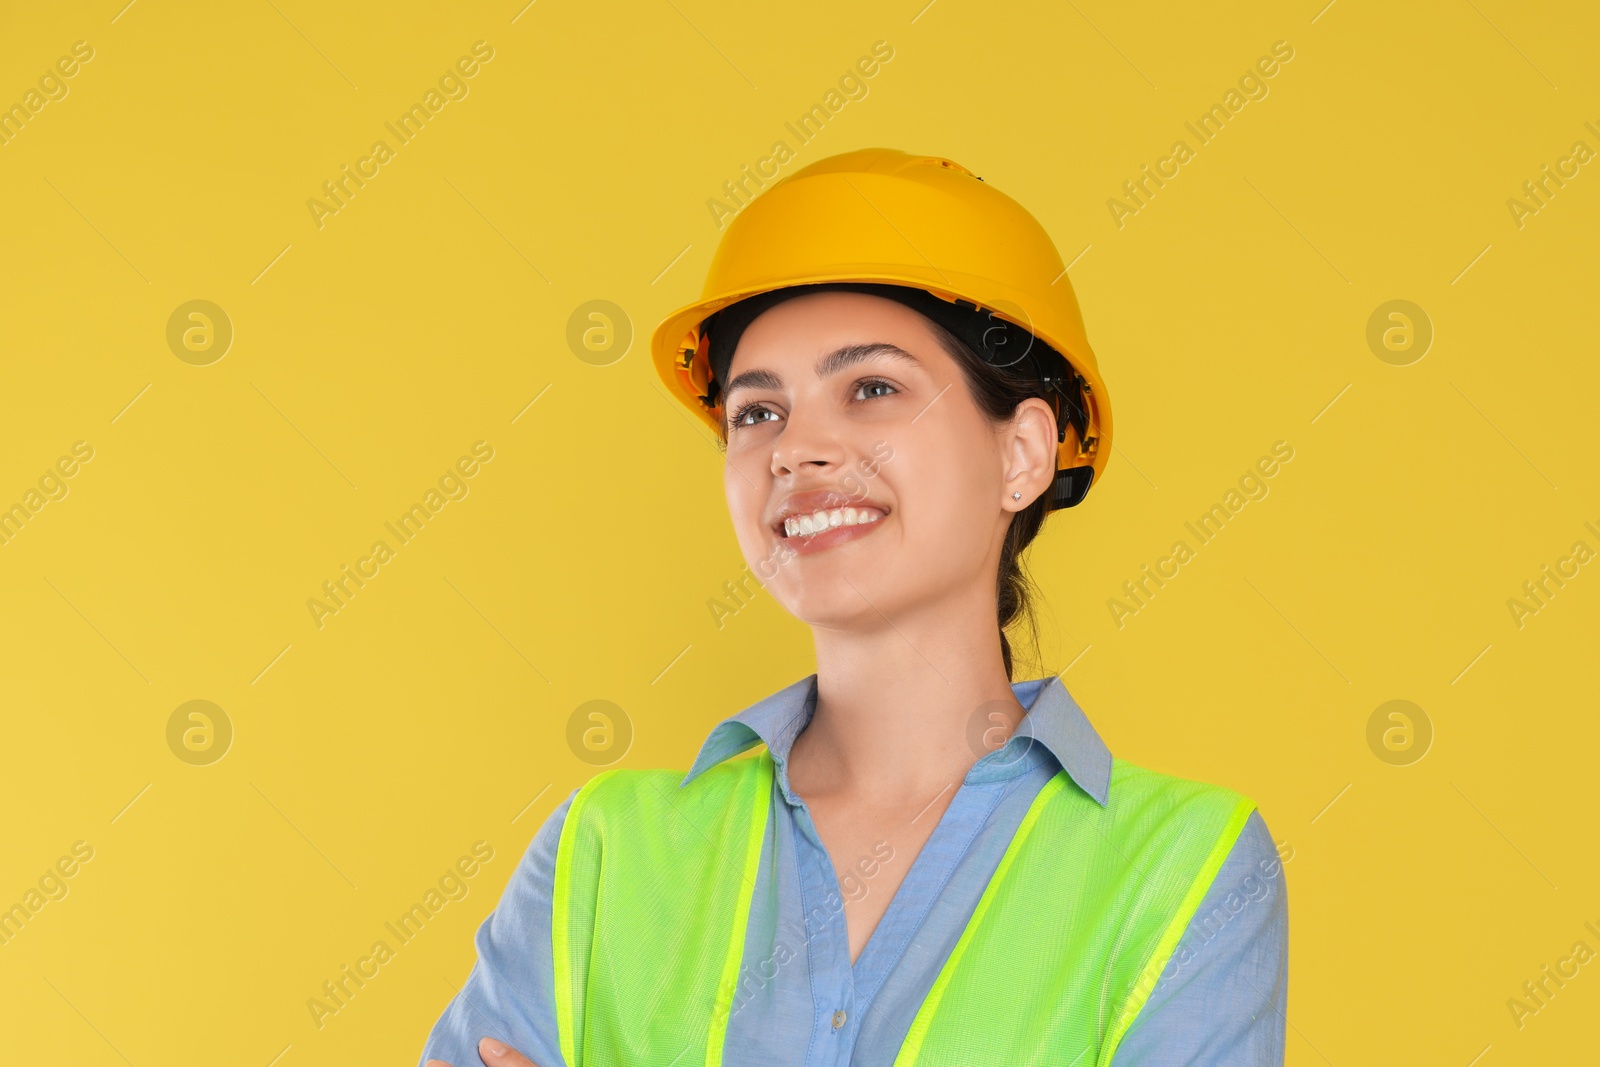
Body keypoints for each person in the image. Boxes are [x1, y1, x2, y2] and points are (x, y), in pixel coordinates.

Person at [420, 148, 1287, 1067]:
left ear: (1023, 453)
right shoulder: (604, 850)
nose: (797, 449)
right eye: (757, 413)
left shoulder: (1186, 867)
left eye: (872, 389)